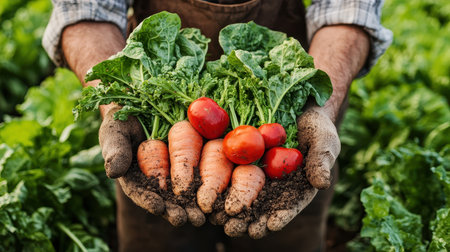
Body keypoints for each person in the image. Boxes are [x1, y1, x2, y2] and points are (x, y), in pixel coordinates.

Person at [43, 0, 392, 251]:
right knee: (158, 231)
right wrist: (118, 103)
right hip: (157, 143)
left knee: (287, 235)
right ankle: (179, 180)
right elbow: (85, 11)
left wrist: (320, 108)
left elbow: (347, 9)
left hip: (283, 114)